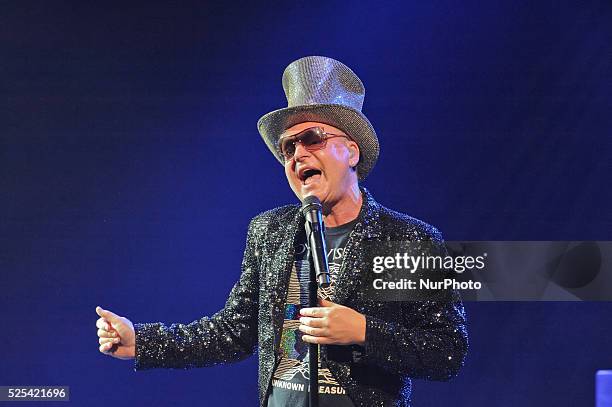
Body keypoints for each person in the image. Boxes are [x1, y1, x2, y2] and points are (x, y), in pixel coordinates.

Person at [96, 56, 468, 407]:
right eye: (287, 147)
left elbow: (445, 351)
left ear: (351, 152)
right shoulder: (268, 230)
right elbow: (232, 332)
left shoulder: (408, 239)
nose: (297, 154)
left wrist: (363, 331)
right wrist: (142, 341)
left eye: (312, 138)